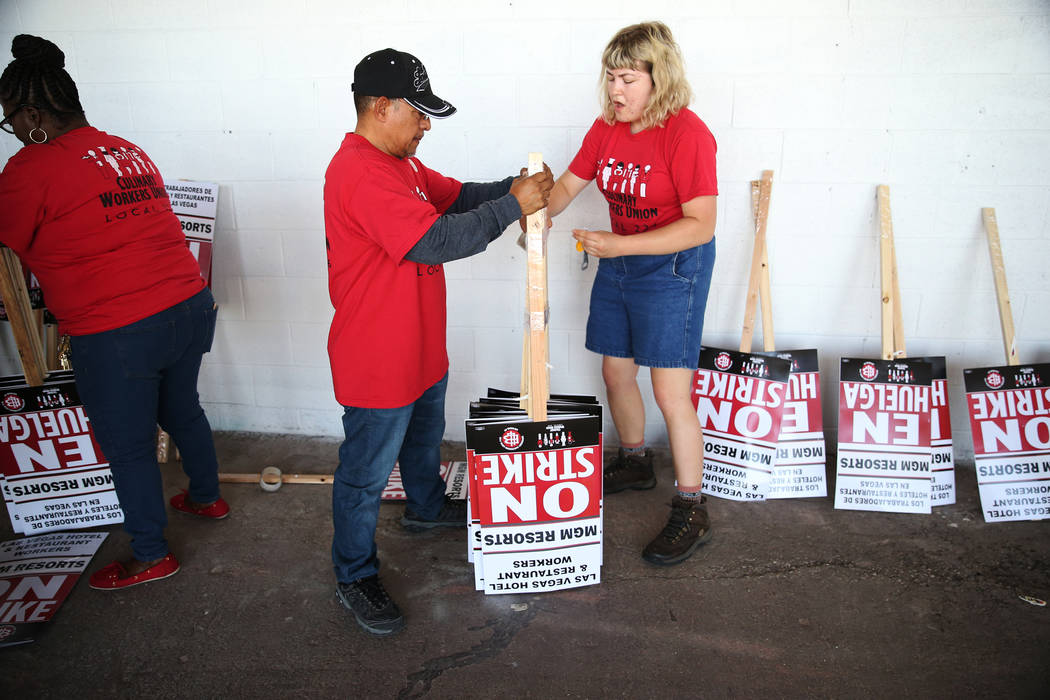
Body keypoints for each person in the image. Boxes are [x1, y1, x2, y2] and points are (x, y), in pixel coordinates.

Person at [324, 48, 552, 636]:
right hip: (377, 358)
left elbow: (460, 197)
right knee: (365, 474)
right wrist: (514, 206)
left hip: (421, 346)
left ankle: (425, 507)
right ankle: (353, 572)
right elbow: (436, 240)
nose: (426, 124)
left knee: (424, 439)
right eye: (419, 112)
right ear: (381, 107)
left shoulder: (402, 165)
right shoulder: (358, 172)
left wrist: (513, 187)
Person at [0, 35, 228, 589]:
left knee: (127, 448)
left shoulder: (31, 167)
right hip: (189, 306)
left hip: (121, 329)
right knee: (183, 409)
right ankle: (206, 498)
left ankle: (151, 555)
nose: (12, 130)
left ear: (32, 114)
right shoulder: (123, 148)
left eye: (10, 120)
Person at [545, 22, 717, 566]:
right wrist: (530, 214)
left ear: (656, 77)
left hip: (671, 267)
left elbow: (701, 226)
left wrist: (621, 246)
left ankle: (692, 505)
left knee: (671, 392)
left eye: (626, 79)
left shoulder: (687, 134)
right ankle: (637, 462)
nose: (615, 91)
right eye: (610, 78)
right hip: (620, 260)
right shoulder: (605, 129)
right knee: (616, 373)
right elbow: (568, 186)